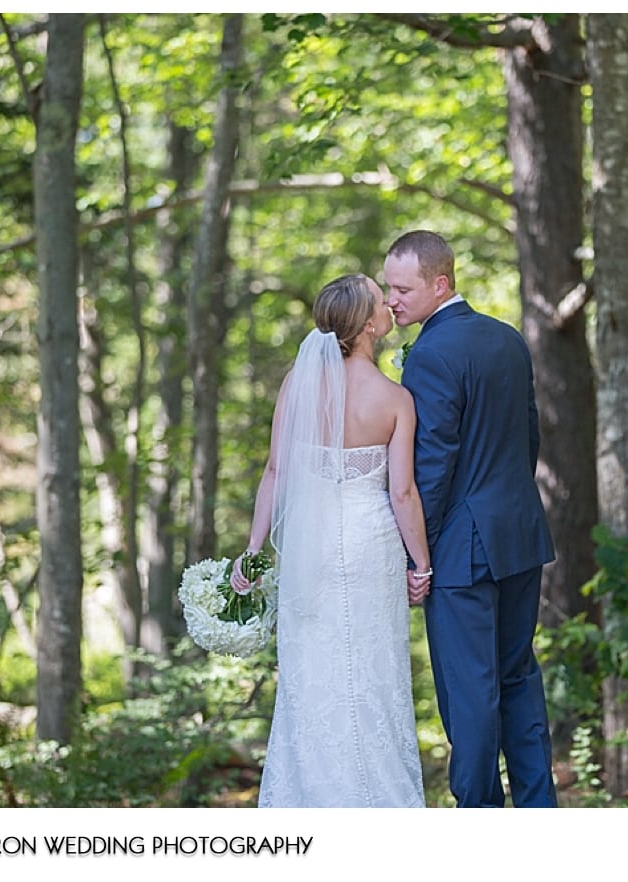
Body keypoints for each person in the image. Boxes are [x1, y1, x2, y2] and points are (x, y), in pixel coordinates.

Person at [230, 273, 433, 807]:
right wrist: (423, 567)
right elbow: (404, 493)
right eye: (378, 297)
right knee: (373, 671)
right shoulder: (395, 398)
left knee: (312, 673)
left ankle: (310, 799)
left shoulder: (298, 384)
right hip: (372, 550)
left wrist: (251, 552)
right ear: (369, 324)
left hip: (308, 553)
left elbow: (275, 472)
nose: (390, 302)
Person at [383, 230, 558, 808]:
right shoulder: (507, 339)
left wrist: (418, 555)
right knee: (517, 677)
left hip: (462, 548)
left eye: (402, 288)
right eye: (387, 287)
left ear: (441, 284)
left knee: (470, 691)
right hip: (519, 535)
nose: (391, 301)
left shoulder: (431, 354)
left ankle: (479, 817)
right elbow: (527, 436)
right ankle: (537, 807)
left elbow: (431, 465)